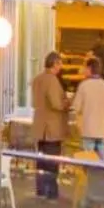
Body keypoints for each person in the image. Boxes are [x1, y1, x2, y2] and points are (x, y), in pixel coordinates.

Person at [32, 51, 69, 199]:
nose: (61, 67)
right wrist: (67, 103)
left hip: (40, 125)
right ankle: (51, 191)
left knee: (41, 160)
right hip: (51, 127)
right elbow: (56, 104)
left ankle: (40, 189)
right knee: (52, 160)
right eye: (60, 64)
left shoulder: (37, 79)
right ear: (55, 63)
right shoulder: (52, 80)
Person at [72, 55, 104, 161]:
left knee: (88, 162)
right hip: (103, 130)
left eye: (84, 68)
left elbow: (76, 107)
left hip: (88, 130)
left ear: (89, 69)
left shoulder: (84, 86)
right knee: (102, 163)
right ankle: (101, 178)